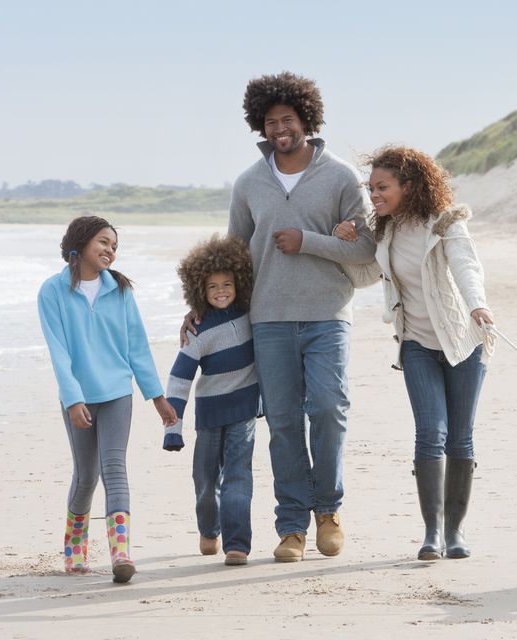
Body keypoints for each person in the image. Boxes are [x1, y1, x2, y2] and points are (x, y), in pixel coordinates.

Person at [182, 72, 375, 562]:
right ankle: (292, 526)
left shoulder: (340, 178)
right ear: (260, 126)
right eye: (270, 122)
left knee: (328, 408)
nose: (279, 129)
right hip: (267, 320)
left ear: (307, 119)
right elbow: (232, 255)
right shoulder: (249, 183)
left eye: (287, 119)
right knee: (285, 422)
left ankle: (328, 510)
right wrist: (201, 306)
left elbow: (366, 247)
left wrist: (307, 240)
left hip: (328, 314)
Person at [333, 145, 494, 560]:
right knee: (430, 432)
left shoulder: (445, 222)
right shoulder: (384, 232)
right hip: (416, 344)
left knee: (460, 437)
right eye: (371, 189)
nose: (374, 196)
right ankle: (433, 533)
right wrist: (344, 242)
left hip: (462, 342)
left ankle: (455, 532)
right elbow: (367, 274)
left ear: (409, 185)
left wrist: (478, 304)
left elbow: (466, 266)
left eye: (382, 187)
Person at [38, 215, 177, 583]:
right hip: (80, 398)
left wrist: (157, 396)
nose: (110, 251)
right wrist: (72, 399)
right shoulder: (52, 292)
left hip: (117, 393)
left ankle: (121, 556)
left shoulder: (120, 290)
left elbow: (137, 347)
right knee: (86, 477)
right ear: (81, 243)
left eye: (114, 246)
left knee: (114, 467)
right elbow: (58, 352)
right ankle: (75, 550)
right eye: (103, 242)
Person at [164, 234, 259, 566]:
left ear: (239, 282)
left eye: (228, 284)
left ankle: (237, 544)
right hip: (209, 415)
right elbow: (179, 380)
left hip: (244, 411)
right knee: (205, 480)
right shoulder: (198, 330)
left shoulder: (252, 315)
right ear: (199, 291)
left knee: (238, 476)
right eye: (213, 286)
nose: (221, 291)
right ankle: (209, 529)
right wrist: (172, 428)